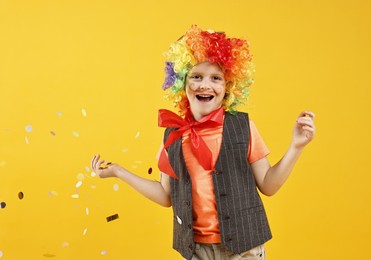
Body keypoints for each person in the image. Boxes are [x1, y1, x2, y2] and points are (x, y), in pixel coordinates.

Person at [91, 25, 316, 260]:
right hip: (196, 249)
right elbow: (165, 195)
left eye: (216, 78)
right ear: (180, 82)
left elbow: (269, 185)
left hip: (244, 246)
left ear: (228, 87)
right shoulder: (173, 135)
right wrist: (118, 172)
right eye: (196, 77)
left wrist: (296, 146)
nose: (205, 85)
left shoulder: (242, 127)